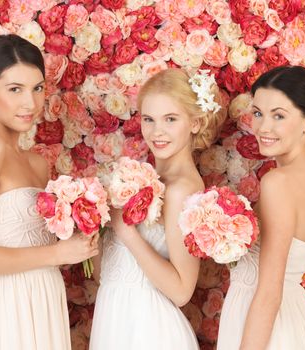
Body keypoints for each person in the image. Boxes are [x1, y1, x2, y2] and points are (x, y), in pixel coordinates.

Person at [0, 34, 98, 350]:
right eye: (14, 89)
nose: (30, 103)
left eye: (37, 88)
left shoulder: (36, 162)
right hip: (8, 306)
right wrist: (57, 253)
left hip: (42, 297)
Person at [89, 68, 227, 350]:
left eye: (171, 119)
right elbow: (105, 274)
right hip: (114, 320)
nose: (157, 132)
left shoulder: (181, 190)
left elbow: (181, 291)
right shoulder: (137, 180)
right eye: (149, 119)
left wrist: (126, 233)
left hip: (149, 330)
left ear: (196, 123)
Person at [217, 66, 305, 350]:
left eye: (279, 116)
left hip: (267, 327)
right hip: (294, 318)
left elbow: (270, 292)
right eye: (258, 113)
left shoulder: (278, 183)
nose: (262, 127)